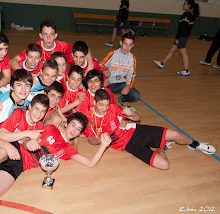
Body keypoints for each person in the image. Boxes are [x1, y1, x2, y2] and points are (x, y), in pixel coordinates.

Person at [84, 89, 217, 170]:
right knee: (165, 165)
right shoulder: (89, 118)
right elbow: (91, 141)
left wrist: (130, 114)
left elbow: (137, 118)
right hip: (128, 145)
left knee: (175, 134)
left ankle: (195, 144)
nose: (105, 108)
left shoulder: (113, 108)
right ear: (95, 103)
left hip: (136, 131)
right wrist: (101, 140)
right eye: (101, 105)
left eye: (107, 105)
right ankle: (161, 147)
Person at [9, 19, 94, 72]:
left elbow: (84, 48)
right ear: (40, 35)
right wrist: (23, 74)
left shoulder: (62, 46)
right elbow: (12, 61)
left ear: (56, 35)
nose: (48, 38)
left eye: (51, 34)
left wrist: (90, 65)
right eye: (45, 34)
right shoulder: (36, 48)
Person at [154, 0, 200, 76]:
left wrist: (178, 38)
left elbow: (183, 28)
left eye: (185, 4)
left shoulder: (187, 14)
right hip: (182, 37)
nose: (183, 5)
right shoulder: (189, 14)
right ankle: (162, 63)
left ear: (189, 6)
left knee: (184, 54)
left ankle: (186, 70)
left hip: (182, 37)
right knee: (171, 50)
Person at [100, 32, 140, 105]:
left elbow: (131, 75)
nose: (127, 47)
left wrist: (128, 86)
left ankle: (122, 99)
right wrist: (105, 69)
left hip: (121, 84)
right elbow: (101, 65)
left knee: (136, 95)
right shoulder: (113, 54)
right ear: (121, 43)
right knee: (103, 100)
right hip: (109, 83)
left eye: (129, 45)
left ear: (132, 46)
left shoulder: (132, 58)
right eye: (125, 44)